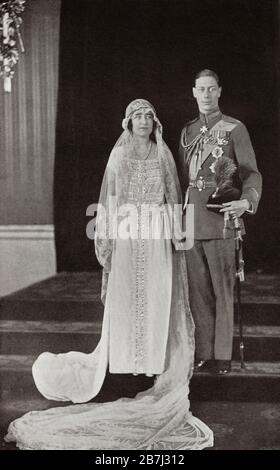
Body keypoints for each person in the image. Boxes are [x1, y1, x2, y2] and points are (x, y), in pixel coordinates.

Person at [5, 99, 213, 450]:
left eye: (148, 116)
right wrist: (108, 240)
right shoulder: (118, 157)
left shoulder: (163, 155)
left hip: (158, 235)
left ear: (154, 122)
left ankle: (152, 362)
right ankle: (126, 363)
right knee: (128, 299)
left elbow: (173, 197)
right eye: (138, 116)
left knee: (157, 297)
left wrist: (177, 233)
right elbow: (111, 201)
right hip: (129, 236)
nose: (144, 121)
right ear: (128, 123)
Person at [178, 70, 262, 375]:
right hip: (191, 220)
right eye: (201, 89)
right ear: (193, 92)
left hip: (222, 217)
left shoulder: (234, 129)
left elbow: (251, 172)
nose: (206, 94)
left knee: (223, 290)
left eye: (211, 89)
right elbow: (183, 178)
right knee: (197, 291)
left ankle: (223, 355)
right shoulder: (187, 131)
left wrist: (246, 201)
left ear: (219, 92)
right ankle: (204, 351)